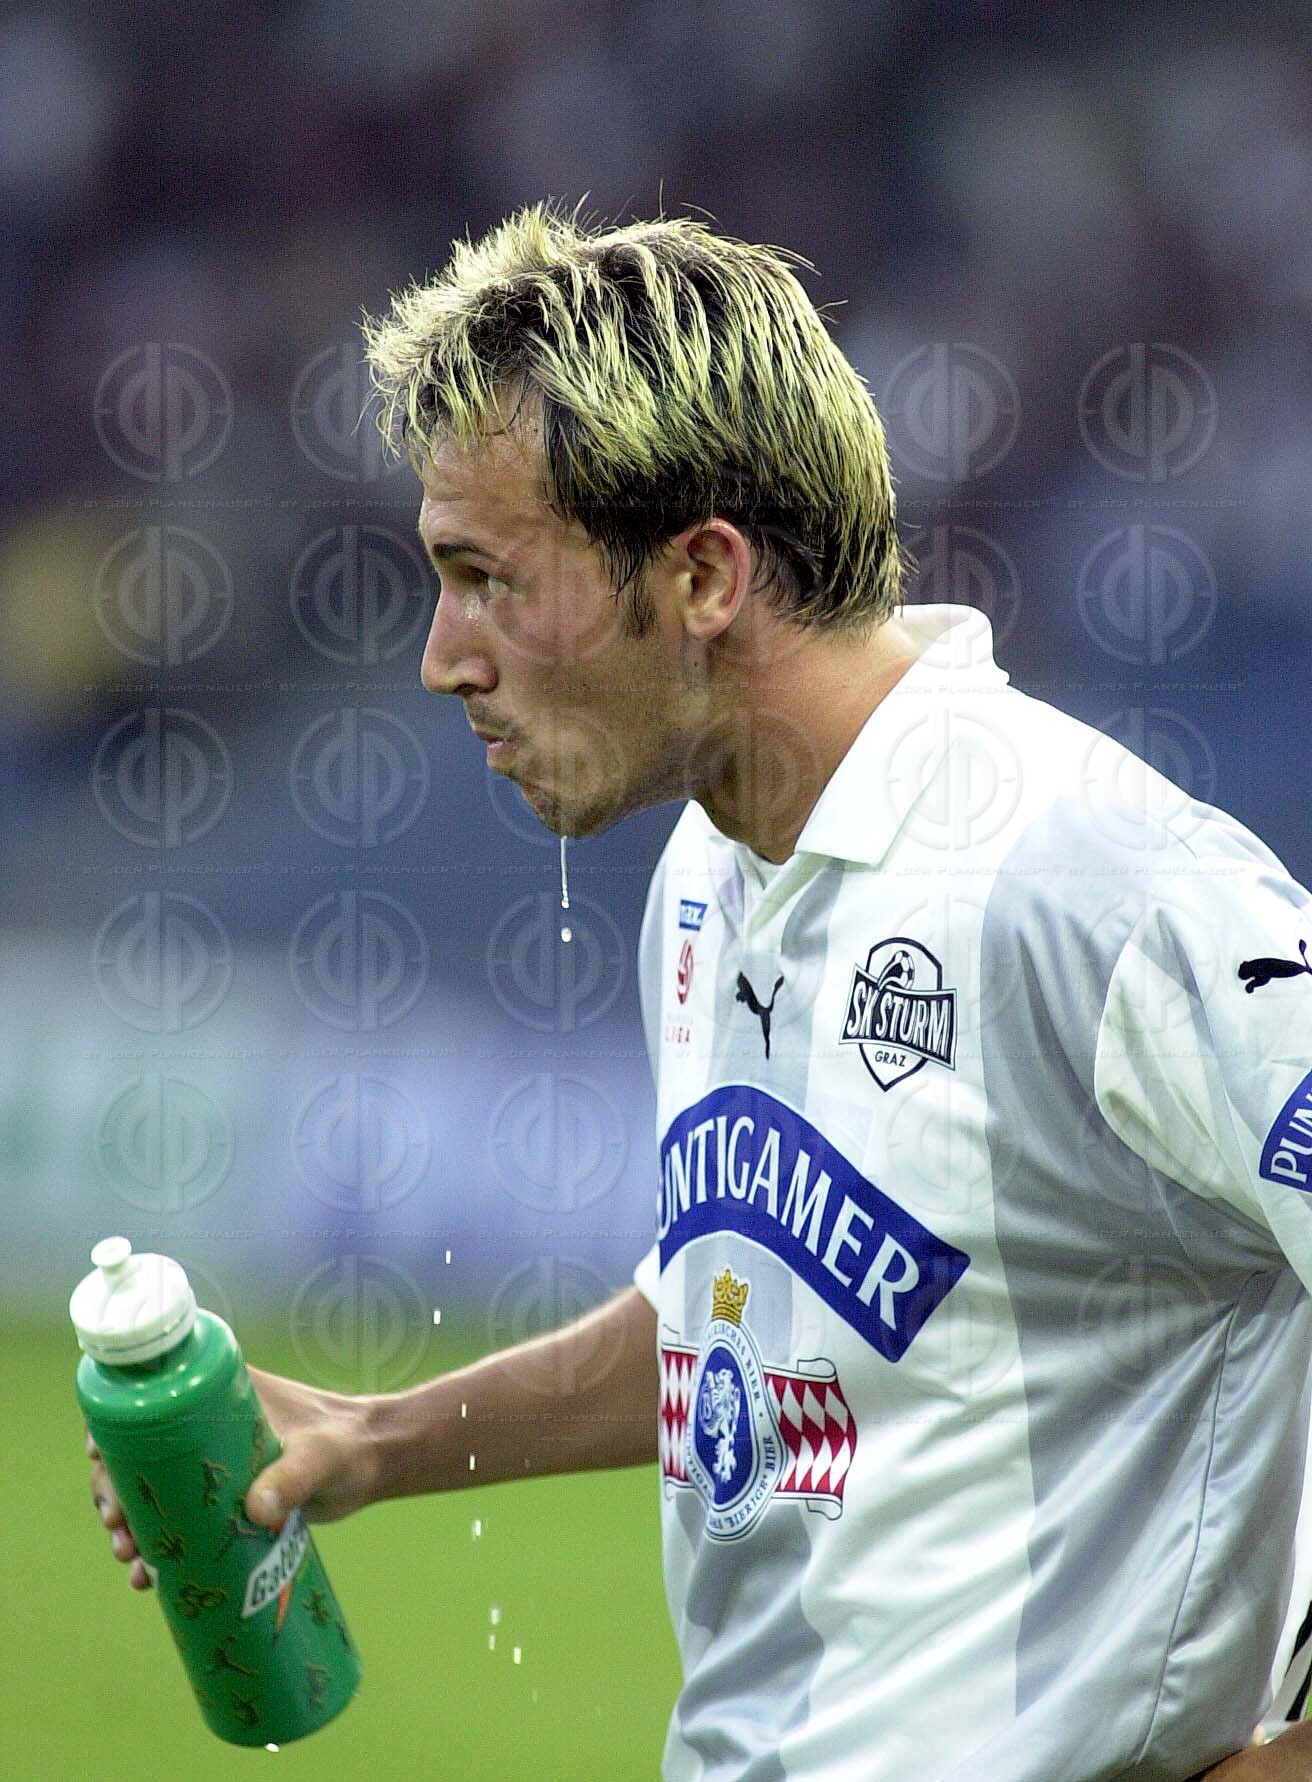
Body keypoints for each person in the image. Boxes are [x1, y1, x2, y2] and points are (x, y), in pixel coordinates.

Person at [87, 202, 1312, 1780]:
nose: (443, 657)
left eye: (486, 577)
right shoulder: (709, 870)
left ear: (705, 574)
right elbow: (741, 1305)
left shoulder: (1093, 884)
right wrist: (375, 1439)